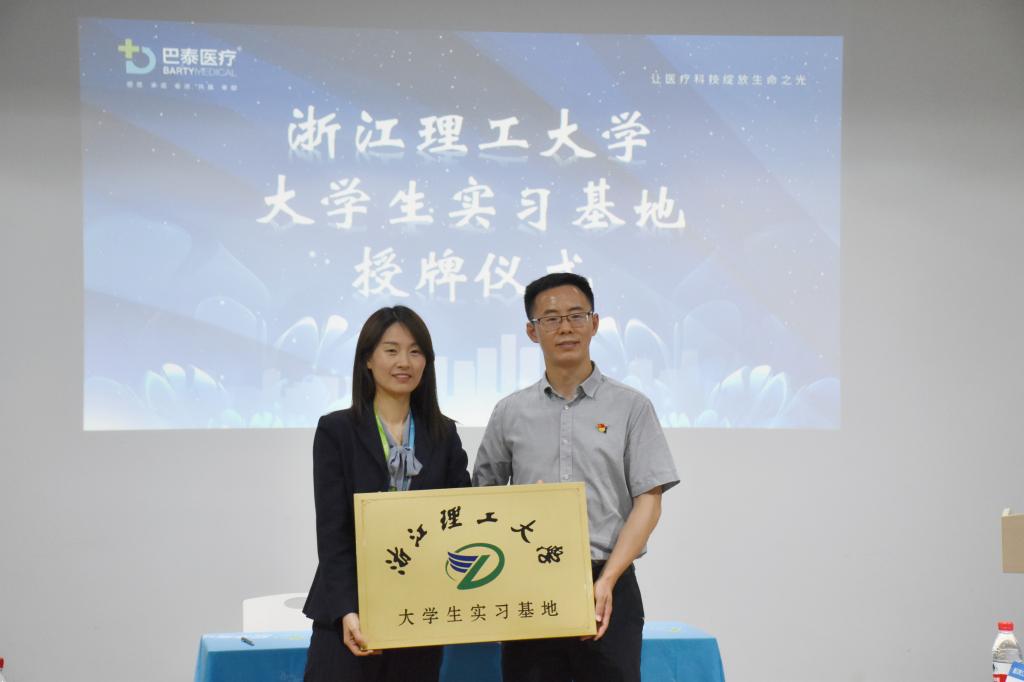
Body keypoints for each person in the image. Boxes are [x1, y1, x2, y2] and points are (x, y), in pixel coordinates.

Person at [473, 272, 679, 682]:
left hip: (609, 582)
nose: (565, 327)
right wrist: (518, 509)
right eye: (551, 319)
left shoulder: (631, 407)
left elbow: (649, 499)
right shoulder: (510, 412)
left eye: (576, 315)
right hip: (530, 585)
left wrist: (608, 579)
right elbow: (482, 499)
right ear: (532, 331)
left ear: (594, 323)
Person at [303, 306, 471, 682]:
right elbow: (332, 531)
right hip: (349, 610)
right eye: (391, 350)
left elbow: (463, 515)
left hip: (419, 609)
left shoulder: (443, 434)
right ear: (367, 359)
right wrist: (347, 610)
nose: (404, 362)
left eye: (415, 351)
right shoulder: (336, 430)